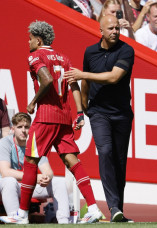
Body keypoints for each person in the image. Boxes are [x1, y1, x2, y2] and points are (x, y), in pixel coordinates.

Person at [0, 21, 102, 224]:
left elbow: (46, 80)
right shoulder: (64, 58)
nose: (28, 42)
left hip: (46, 117)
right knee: (72, 162)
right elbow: (74, 84)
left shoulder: (35, 56)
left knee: (30, 161)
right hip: (65, 117)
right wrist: (80, 113)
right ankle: (93, 208)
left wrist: (32, 102)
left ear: (38, 40)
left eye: (30, 38)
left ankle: (22, 213)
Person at [64, 15, 134, 223]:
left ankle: (117, 210)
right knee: (105, 152)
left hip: (122, 113)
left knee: (119, 163)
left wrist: (83, 74)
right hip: (98, 112)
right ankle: (113, 208)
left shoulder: (126, 50)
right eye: (110, 28)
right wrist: (82, 108)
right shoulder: (90, 52)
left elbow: (113, 77)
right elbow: (84, 84)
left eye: (117, 28)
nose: (115, 31)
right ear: (100, 31)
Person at [0, 112, 70, 224]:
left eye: (27, 127)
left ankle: (64, 222)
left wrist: (46, 177)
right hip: (1, 186)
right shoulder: (5, 143)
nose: (23, 130)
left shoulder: (35, 144)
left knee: (59, 182)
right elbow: (5, 173)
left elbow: (48, 171)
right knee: (10, 181)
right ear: (13, 129)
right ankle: (16, 219)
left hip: (25, 186)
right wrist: (34, 178)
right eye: (19, 127)